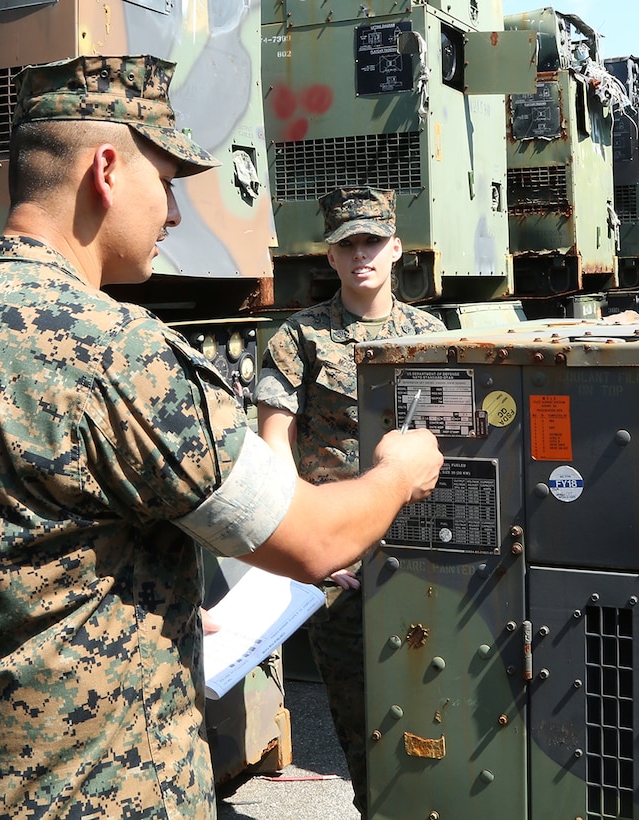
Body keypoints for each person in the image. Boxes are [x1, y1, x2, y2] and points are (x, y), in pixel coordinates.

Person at [0, 56, 442, 819]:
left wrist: (151, 597)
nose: (173, 214)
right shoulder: (115, 352)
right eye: (167, 182)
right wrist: (400, 472)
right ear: (107, 168)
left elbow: (1, 561)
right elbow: (312, 541)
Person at [254, 186, 446, 816]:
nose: (360, 254)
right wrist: (310, 543)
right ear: (329, 258)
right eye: (346, 245)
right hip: (344, 567)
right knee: (363, 725)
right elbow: (273, 447)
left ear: (396, 249)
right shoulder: (299, 338)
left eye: (372, 241)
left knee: (441, 716)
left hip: (425, 557)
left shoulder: (430, 334)